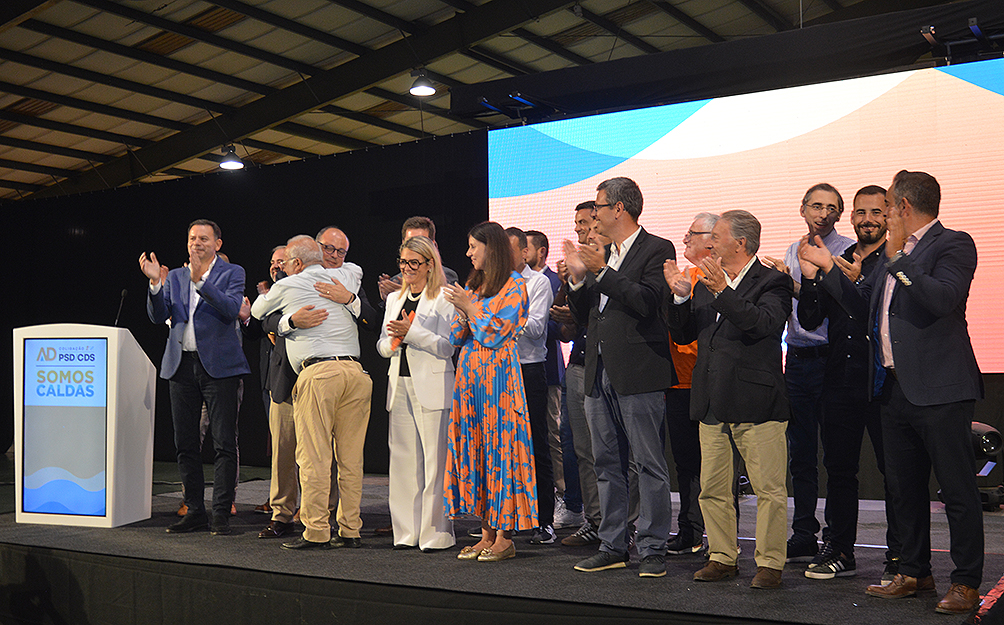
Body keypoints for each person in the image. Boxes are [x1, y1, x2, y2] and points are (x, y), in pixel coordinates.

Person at [798, 171, 984, 615]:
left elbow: (942, 299)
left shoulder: (952, 243)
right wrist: (827, 272)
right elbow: (863, 308)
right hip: (893, 388)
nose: (882, 216)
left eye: (887, 207)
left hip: (940, 389)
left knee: (957, 491)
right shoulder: (893, 255)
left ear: (902, 207)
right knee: (904, 489)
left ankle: (965, 581)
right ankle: (914, 571)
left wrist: (898, 257)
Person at [666, 209, 791, 589]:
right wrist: (680, 298)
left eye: (716, 238)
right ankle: (721, 556)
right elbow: (686, 334)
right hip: (711, 399)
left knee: (768, 490)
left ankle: (769, 563)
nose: (709, 244)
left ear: (740, 242)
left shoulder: (773, 281)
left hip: (756, 401)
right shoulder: (706, 281)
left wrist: (723, 291)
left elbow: (762, 324)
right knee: (713, 488)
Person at [564, 177, 677, 579]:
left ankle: (653, 548)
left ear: (619, 209)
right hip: (598, 369)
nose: (593, 215)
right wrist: (578, 278)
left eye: (598, 206)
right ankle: (612, 544)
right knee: (606, 462)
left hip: (639, 370)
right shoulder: (603, 251)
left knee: (648, 463)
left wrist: (602, 271)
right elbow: (586, 316)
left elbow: (648, 302)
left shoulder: (657, 248)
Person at [796, 185, 901, 581]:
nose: (868, 220)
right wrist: (810, 278)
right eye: (861, 212)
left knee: (895, 473)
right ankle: (840, 549)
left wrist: (841, 278)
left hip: (883, 384)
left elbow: (867, 312)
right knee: (839, 471)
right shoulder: (837, 259)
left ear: (888, 216)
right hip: (840, 378)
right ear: (852, 217)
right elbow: (809, 319)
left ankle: (900, 555)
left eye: (876, 212)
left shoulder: (895, 260)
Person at [251, 235, 373, 551]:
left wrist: (280, 289)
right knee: (351, 459)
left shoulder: (288, 284)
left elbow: (257, 311)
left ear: (296, 263)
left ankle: (316, 531)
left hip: (319, 375)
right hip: (356, 374)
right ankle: (350, 530)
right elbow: (356, 270)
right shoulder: (348, 275)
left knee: (314, 457)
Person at [140, 219, 249, 536]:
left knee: (224, 443)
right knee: (185, 443)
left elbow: (231, 308)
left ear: (217, 243)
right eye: (192, 238)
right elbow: (158, 316)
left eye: (203, 238)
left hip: (220, 368)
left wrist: (201, 281)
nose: (196, 243)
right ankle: (195, 511)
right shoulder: (175, 276)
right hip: (181, 366)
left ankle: (221, 514)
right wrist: (155, 284)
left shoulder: (232, 272)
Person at [764, 183, 853, 563]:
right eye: (816, 206)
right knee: (800, 453)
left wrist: (791, 282)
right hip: (797, 359)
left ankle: (835, 537)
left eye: (831, 208)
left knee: (835, 456)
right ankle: (804, 532)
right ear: (803, 209)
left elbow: (830, 301)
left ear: (840, 214)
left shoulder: (847, 250)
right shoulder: (793, 248)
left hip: (832, 359)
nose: (823, 213)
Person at [442, 221, 536, 562]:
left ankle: (504, 537)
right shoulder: (474, 285)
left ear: (491, 248)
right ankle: (485, 534)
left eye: (474, 247)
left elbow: (494, 334)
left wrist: (470, 309)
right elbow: (457, 336)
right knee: (478, 450)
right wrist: (462, 310)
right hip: (470, 380)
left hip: (499, 382)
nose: (469, 253)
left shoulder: (515, 286)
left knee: (501, 452)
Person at [376, 235, 456, 551]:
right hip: (400, 384)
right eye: (403, 262)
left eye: (414, 263)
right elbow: (382, 344)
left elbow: (448, 346)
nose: (407, 269)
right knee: (403, 462)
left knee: (435, 462)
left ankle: (436, 533)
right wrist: (394, 342)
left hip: (433, 385)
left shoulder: (444, 298)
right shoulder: (395, 299)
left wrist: (413, 333)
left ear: (429, 264)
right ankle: (406, 532)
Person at [663, 213, 718, 556]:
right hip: (678, 383)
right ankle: (690, 530)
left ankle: (720, 538)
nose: (684, 239)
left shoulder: (716, 279)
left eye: (692, 234)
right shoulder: (682, 278)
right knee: (685, 464)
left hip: (708, 384)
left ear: (712, 239)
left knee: (715, 466)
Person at [552, 201, 603, 547]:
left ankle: (623, 526)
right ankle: (594, 520)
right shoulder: (576, 269)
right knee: (580, 449)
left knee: (611, 453)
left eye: (585, 223)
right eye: (577, 225)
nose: (580, 230)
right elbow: (567, 329)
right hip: (578, 364)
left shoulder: (608, 262)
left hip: (607, 367)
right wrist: (567, 282)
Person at [526, 229, 581, 531]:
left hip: (546, 369)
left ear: (541, 252)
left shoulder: (552, 280)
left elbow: (558, 328)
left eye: (526, 248)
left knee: (553, 436)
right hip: (518, 369)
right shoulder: (512, 282)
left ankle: (563, 496)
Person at [506, 227, 556, 545]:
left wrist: (502, 316)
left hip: (528, 370)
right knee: (503, 446)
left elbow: (537, 327)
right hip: (499, 371)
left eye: (509, 250)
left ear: (525, 253)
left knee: (536, 445)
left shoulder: (537, 282)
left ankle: (543, 521)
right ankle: (504, 518)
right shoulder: (494, 283)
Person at [378, 216, 460, 302]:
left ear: (434, 246)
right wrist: (388, 300)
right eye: (410, 242)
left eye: (421, 242)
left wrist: (410, 294)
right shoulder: (395, 282)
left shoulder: (448, 276)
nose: (414, 248)